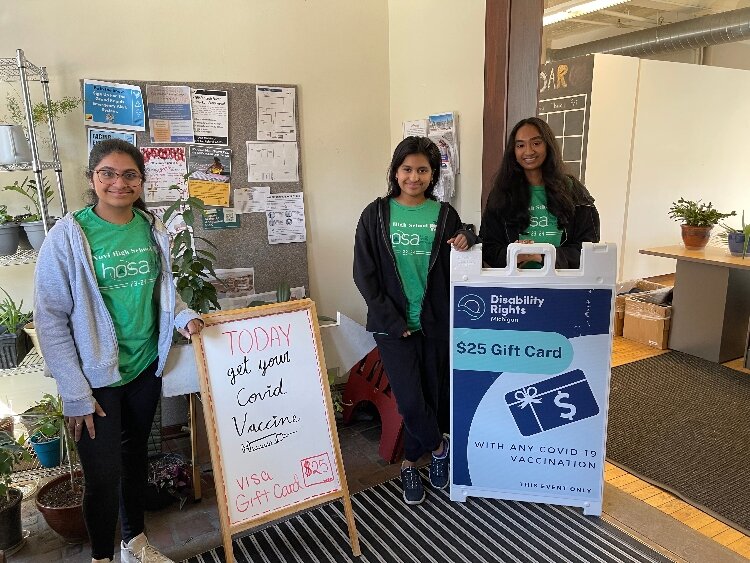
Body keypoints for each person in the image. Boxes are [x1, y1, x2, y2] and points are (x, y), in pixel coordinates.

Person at [34, 139, 204, 563]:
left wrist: (184, 317)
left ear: (141, 181)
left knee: (134, 461)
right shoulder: (67, 237)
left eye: (130, 175)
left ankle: (135, 543)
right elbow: (50, 318)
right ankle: (102, 557)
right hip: (95, 381)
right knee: (102, 477)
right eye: (107, 173)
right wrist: (74, 391)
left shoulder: (151, 227)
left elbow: (163, 290)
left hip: (145, 368)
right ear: (92, 178)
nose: (119, 183)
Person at [353, 136, 477, 505]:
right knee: (409, 401)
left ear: (433, 174)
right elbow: (364, 273)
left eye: (423, 170)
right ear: (395, 172)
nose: (414, 177)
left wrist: (468, 236)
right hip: (393, 326)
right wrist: (392, 320)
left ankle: (410, 463)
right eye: (407, 169)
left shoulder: (444, 214)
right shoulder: (375, 214)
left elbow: (464, 247)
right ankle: (440, 449)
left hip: (435, 322)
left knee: (430, 396)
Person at [480, 117, 600, 269]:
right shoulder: (502, 193)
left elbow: (589, 247)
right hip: (515, 283)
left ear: (548, 145)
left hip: (562, 282)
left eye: (536, 143)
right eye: (520, 145)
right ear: (513, 151)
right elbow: (488, 246)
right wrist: (513, 254)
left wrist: (542, 256)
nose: (529, 151)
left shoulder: (574, 191)